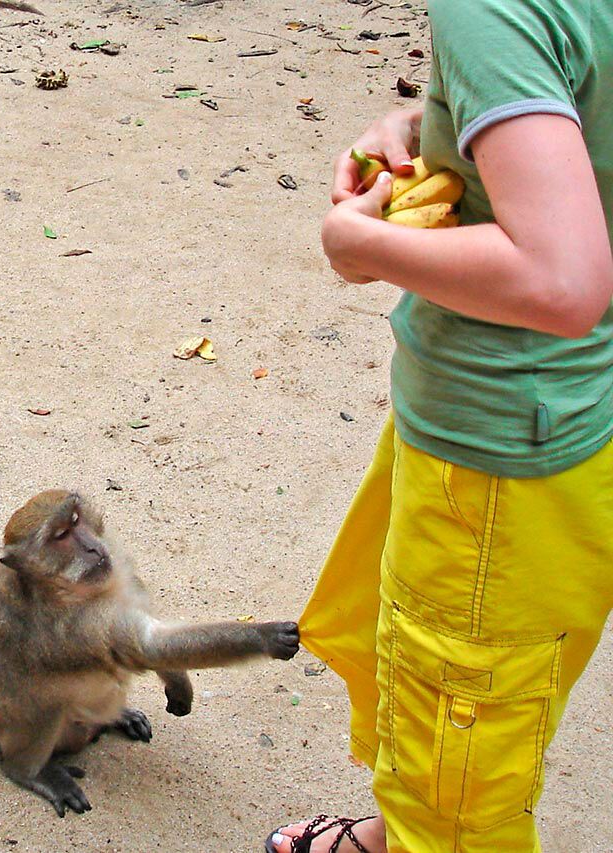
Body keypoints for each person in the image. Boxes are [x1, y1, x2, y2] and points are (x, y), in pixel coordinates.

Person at [265, 2, 613, 851]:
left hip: (496, 441)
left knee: (461, 736)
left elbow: (563, 281)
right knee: (467, 709)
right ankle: (400, 824)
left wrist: (360, 247)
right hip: (575, 416)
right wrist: (442, 122)